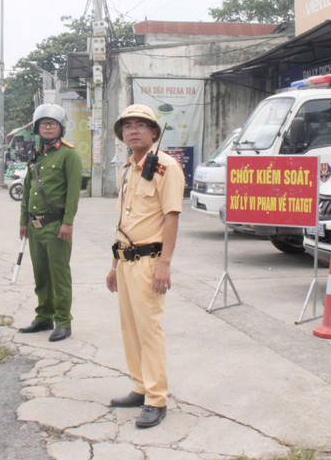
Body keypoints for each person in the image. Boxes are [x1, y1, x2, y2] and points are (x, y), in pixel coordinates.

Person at [106, 104, 185, 429]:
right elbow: (123, 221)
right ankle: (140, 386)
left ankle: (156, 398)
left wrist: (165, 263)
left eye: (141, 125)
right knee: (130, 328)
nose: (133, 130)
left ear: (154, 132)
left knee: (149, 330)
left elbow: (171, 216)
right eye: (127, 126)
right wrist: (113, 265)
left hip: (149, 261)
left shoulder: (166, 167)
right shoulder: (127, 169)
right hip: (125, 260)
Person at [18, 104, 82, 342]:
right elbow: (27, 190)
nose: (47, 127)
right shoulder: (35, 155)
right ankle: (44, 317)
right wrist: (23, 220)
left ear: (60, 128)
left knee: (59, 276)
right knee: (41, 275)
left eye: (52, 123)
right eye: (43, 123)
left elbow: (73, 193)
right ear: (37, 127)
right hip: (35, 228)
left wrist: (68, 223)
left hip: (56, 227)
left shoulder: (68, 154)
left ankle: (63, 321)